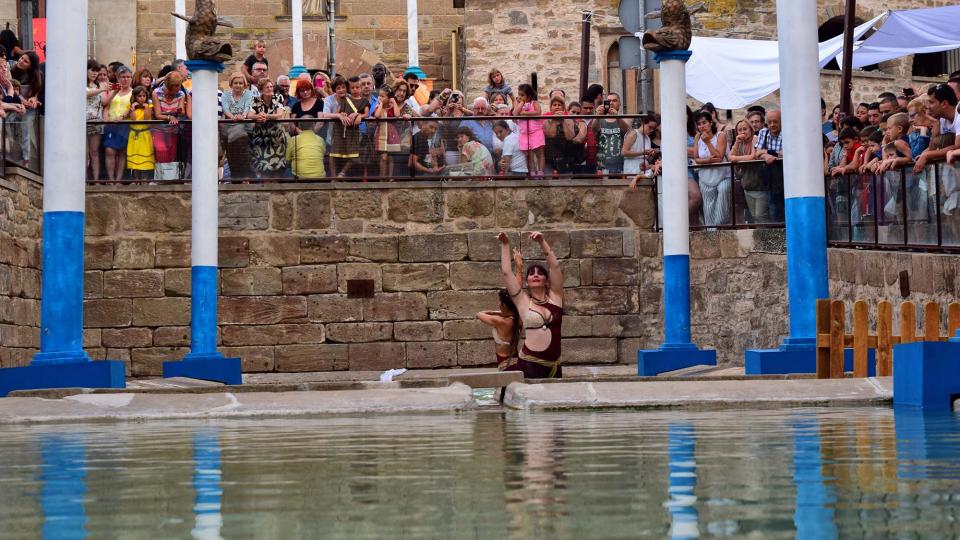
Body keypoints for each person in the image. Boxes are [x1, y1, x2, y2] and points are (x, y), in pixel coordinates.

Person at [498, 230, 564, 379]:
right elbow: (507, 272)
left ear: (546, 280)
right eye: (531, 273)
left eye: (540, 273)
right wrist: (505, 244)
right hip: (530, 365)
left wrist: (542, 242)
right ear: (527, 281)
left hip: (554, 366)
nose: (535, 275)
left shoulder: (556, 297)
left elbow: (555, 267)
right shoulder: (522, 300)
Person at [693, 110, 730, 226]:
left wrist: (708, 142)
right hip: (705, 176)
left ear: (710, 123)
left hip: (723, 175)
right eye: (699, 124)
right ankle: (711, 235)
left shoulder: (721, 135)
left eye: (704, 122)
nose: (702, 126)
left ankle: (720, 225)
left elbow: (719, 157)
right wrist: (708, 160)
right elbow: (696, 158)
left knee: (724, 192)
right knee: (708, 209)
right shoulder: (697, 137)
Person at [152, 71, 191, 180]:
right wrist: (170, 117)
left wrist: (181, 109)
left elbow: (181, 112)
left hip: (173, 129)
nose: (179, 88)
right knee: (161, 150)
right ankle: (161, 178)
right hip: (159, 128)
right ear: (170, 85)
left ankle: (170, 179)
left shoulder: (181, 94)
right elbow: (158, 114)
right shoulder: (156, 93)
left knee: (171, 152)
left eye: (179, 85)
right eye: (177, 86)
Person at [329, 76, 368, 178]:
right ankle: (334, 178)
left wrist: (359, 115)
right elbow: (338, 112)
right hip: (340, 130)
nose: (355, 90)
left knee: (354, 155)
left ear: (361, 88)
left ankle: (342, 173)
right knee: (335, 153)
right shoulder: (345, 100)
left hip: (353, 131)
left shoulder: (364, 101)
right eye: (353, 88)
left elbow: (366, 114)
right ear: (349, 88)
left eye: (357, 87)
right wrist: (342, 115)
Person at [914, 84, 960, 173]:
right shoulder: (942, 120)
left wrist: (927, 155)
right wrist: (923, 154)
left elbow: (957, 146)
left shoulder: (959, 116)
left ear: (944, 104)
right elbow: (935, 146)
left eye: (931, 102)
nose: (928, 107)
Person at [477, 287, 523, 372]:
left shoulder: (501, 321)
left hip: (506, 363)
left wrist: (495, 312)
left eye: (500, 302)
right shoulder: (518, 318)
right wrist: (503, 313)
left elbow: (479, 314)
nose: (499, 305)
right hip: (514, 359)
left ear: (504, 305)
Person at [250, 78, 289, 178]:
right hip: (261, 137)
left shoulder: (278, 97)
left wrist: (266, 116)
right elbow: (250, 115)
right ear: (261, 90)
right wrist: (258, 116)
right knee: (263, 166)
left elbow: (279, 114)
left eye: (271, 86)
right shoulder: (255, 100)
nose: (270, 88)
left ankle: (276, 190)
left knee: (277, 166)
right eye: (267, 87)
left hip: (276, 137)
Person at [729, 118, 766, 223]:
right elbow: (730, 157)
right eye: (739, 130)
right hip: (747, 186)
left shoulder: (755, 138)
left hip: (760, 185)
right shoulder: (739, 143)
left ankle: (766, 239)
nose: (742, 132)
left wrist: (736, 159)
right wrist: (736, 143)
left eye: (745, 129)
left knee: (760, 216)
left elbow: (753, 156)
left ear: (750, 129)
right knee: (754, 216)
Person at [101, 66, 134, 182]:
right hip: (111, 124)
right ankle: (111, 179)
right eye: (123, 77)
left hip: (125, 125)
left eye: (128, 77)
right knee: (109, 150)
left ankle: (118, 180)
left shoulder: (134, 93)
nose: (126, 79)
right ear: (118, 78)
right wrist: (106, 116)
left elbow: (133, 109)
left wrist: (124, 116)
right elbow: (106, 106)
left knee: (122, 152)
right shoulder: (112, 91)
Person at [10, 50, 41, 168]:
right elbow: (13, 91)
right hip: (15, 105)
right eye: (21, 58)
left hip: (28, 109)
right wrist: (24, 101)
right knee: (11, 127)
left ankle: (25, 160)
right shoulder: (12, 70)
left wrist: (33, 99)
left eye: (25, 61)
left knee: (26, 129)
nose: (21, 61)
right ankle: (12, 156)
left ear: (31, 65)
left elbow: (35, 93)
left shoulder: (36, 76)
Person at [755, 109, 784, 221]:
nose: (772, 125)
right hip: (771, 178)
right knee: (773, 208)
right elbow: (757, 152)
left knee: (784, 207)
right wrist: (766, 155)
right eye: (770, 122)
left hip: (785, 177)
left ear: (781, 122)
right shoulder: (763, 132)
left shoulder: (786, 132)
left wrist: (768, 153)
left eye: (775, 122)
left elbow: (786, 153)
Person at [593, 93, 630, 176]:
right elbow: (594, 129)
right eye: (609, 101)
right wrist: (597, 115)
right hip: (602, 165)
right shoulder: (600, 119)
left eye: (614, 100)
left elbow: (626, 130)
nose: (611, 103)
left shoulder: (625, 118)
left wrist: (617, 116)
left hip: (620, 164)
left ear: (619, 103)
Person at [513, 83, 545, 176]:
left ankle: (540, 172)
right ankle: (532, 172)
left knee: (539, 153)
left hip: (536, 132)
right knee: (529, 155)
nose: (520, 97)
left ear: (529, 95)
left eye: (522, 95)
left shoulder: (534, 103)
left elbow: (538, 112)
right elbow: (515, 114)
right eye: (519, 94)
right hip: (525, 133)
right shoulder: (518, 104)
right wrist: (521, 103)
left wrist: (525, 113)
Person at [124, 85, 155, 180]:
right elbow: (133, 119)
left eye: (144, 96)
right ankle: (136, 179)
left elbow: (146, 118)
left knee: (145, 158)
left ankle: (144, 180)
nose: (142, 98)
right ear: (135, 97)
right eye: (139, 96)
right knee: (135, 158)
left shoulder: (149, 106)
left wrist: (146, 108)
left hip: (145, 135)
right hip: (134, 135)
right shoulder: (130, 107)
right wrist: (132, 108)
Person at [85, 59, 108, 181]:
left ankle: (96, 180)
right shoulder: (82, 83)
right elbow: (85, 94)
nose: (94, 73)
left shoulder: (99, 85)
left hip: (97, 121)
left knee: (94, 152)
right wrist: (102, 89)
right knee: (85, 152)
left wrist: (115, 91)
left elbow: (104, 102)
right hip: (83, 121)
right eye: (92, 70)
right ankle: (84, 180)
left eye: (96, 71)